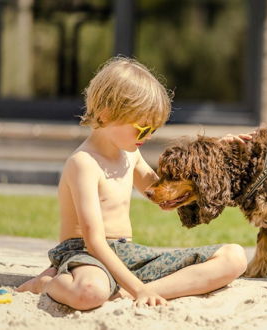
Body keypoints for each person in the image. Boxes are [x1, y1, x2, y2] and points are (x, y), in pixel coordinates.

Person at [16, 57, 249, 310]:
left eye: (153, 130)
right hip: (86, 255)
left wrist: (215, 152)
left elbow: (162, 193)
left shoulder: (130, 155)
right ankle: (47, 283)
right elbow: (94, 241)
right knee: (90, 293)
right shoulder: (83, 164)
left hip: (128, 255)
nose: (147, 137)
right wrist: (139, 287)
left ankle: (124, 292)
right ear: (106, 115)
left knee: (233, 257)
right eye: (141, 129)